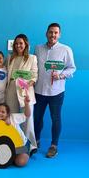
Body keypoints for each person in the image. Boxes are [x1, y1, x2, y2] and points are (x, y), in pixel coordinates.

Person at [34, 23, 76, 158]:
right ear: (46, 33)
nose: (53, 35)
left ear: (59, 34)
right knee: (37, 118)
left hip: (56, 92)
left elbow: (72, 68)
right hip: (39, 91)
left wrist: (60, 75)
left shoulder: (66, 49)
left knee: (55, 118)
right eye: (51, 32)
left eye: (56, 33)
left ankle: (53, 146)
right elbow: (34, 68)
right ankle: (36, 141)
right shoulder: (38, 48)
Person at [4, 34, 38, 155]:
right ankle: (15, 143)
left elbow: (34, 76)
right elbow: (4, 73)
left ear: (26, 44)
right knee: (12, 118)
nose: (18, 45)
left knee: (27, 120)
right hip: (11, 90)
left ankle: (31, 145)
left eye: (21, 43)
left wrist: (28, 84)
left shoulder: (32, 58)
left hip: (25, 92)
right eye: (16, 43)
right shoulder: (9, 58)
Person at [0, 95, 31, 167]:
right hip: (9, 147)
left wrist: (26, 104)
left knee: (20, 162)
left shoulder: (13, 117)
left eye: (3, 112)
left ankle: (29, 149)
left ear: (7, 114)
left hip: (22, 144)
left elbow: (27, 115)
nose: (0, 113)